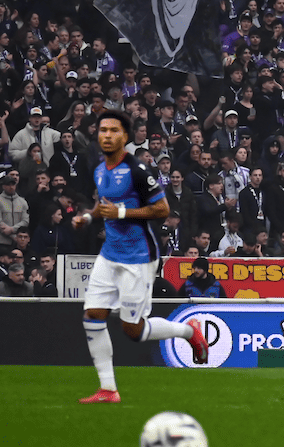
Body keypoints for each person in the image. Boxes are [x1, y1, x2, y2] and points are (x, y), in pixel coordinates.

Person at [72, 111, 208, 403]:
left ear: (125, 136)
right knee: (92, 316)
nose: (107, 135)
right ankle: (108, 389)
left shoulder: (138, 170)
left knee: (133, 330)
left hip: (138, 256)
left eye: (113, 130)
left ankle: (188, 330)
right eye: (103, 130)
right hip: (109, 255)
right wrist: (87, 216)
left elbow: (162, 210)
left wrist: (122, 213)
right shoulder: (99, 169)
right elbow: (102, 205)